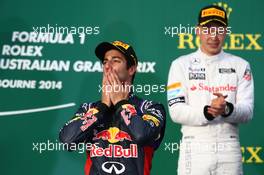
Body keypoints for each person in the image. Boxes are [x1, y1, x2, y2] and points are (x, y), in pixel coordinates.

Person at [167, 5, 254, 175]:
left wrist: (227, 108)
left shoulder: (241, 65)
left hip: (229, 149)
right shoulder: (180, 65)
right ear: (198, 31)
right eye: (208, 29)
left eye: (219, 29)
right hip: (194, 148)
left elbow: (248, 111)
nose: (214, 36)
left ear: (226, 32)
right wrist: (208, 112)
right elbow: (176, 111)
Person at [59, 40, 166, 175]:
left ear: (131, 69)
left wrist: (121, 103)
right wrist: (101, 108)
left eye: (115, 60)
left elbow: (141, 135)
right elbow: (68, 140)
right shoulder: (90, 108)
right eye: (105, 62)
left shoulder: (150, 108)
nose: (108, 66)